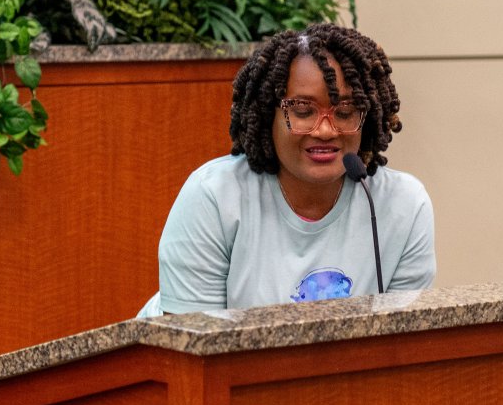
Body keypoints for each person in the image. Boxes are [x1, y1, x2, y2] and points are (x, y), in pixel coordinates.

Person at [139, 24, 436, 316]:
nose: (325, 130)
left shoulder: (403, 206)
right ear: (270, 115)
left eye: (345, 112)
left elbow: (400, 348)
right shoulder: (213, 197)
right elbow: (191, 350)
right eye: (303, 111)